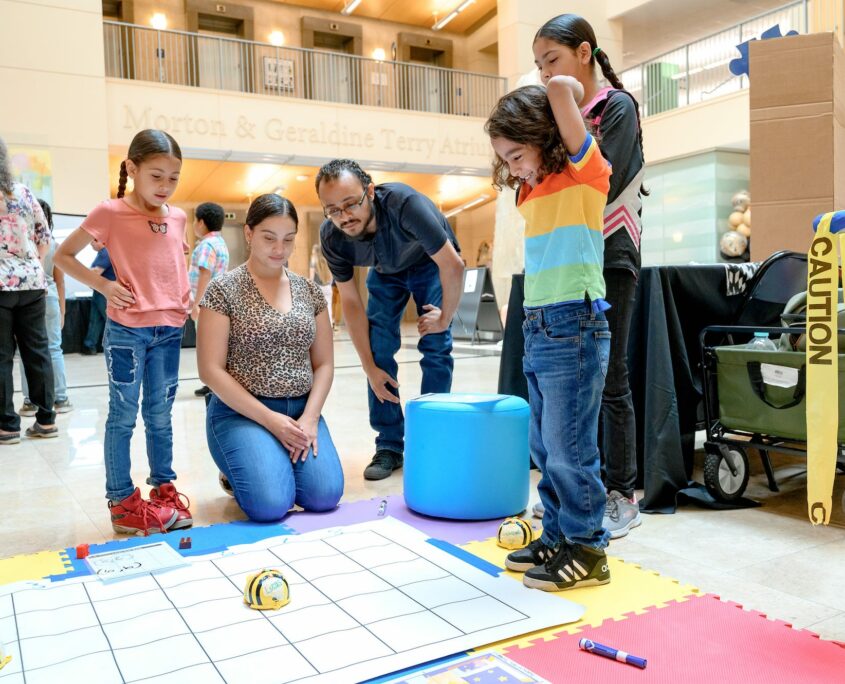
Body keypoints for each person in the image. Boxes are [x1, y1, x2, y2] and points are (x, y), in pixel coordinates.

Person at [485, 79, 612, 591]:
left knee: (570, 446)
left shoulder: (584, 171)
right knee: (544, 444)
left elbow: (562, 90)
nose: (513, 167)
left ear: (544, 134)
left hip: (573, 321)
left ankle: (588, 548)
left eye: (517, 154)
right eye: (505, 159)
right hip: (538, 321)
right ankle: (559, 533)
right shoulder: (532, 186)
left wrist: (551, 77)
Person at [530, 15, 645, 539]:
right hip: (567, 263)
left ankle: (622, 493)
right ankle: (578, 494)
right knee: (573, 388)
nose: (544, 74)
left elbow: (606, 178)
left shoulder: (615, 107)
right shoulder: (563, 114)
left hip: (611, 254)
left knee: (612, 377)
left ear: (583, 53)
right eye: (538, 66)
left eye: (551, 60)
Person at [55, 129, 192, 535]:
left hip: (169, 331)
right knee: (123, 416)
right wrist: (104, 286)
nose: (165, 187)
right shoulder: (110, 212)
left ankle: (163, 491)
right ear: (132, 169)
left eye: (173, 178)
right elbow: (61, 256)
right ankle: (121, 501)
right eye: (156, 176)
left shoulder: (179, 217)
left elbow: (171, 264)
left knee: (161, 416)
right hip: (127, 334)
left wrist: (184, 300)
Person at [316, 159, 464, 480]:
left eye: (351, 204)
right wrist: (368, 366)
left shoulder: (404, 205)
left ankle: (430, 440)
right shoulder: (332, 237)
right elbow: (352, 304)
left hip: (431, 263)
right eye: (333, 210)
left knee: (436, 346)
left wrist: (445, 318)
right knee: (378, 350)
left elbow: (453, 265)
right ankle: (390, 445)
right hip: (386, 271)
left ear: (369, 191)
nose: (344, 217)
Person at [198, 194, 342, 522]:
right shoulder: (223, 290)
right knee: (270, 504)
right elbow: (210, 370)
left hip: (301, 411)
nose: (279, 249)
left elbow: (324, 364)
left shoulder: (309, 291)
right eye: (269, 238)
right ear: (248, 234)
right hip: (243, 413)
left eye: (288, 240)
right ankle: (237, 469)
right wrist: (270, 420)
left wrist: (309, 418)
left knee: (325, 495)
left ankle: (272, 458)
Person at [0, 137, 57, 444]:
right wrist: (33, 263)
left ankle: (7, 426)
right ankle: (46, 420)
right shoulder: (22, 192)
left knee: (1, 358)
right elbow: (43, 235)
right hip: (32, 284)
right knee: (38, 352)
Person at [19, 199, 73, 415]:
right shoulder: (55, 246)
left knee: (26, 351)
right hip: (50, 299)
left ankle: (30, 402)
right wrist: (62, 311)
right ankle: (60, 399)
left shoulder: (19, 245)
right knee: (54, 350)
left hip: (26, 300)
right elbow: (59, 281)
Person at [189, 201, 229, 398]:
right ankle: (213, 383)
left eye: (195, 221)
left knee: (207, 346)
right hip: (219, 302)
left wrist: (196, 304)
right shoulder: (221, 243)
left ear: (202, 222)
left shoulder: (206, 245)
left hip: (207, 305)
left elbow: (205, 274)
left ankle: (213, 384)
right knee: (216, 345)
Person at [81, 239, 115, 355]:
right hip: (100, 291)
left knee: (108, 319)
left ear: (103, 241)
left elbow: (95, 272)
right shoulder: (105, 252)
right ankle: (89, 345)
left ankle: (113, 344)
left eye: (95, 240)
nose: (91, 243)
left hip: (103, 291)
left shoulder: (105, 252)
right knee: (96, 320)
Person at [309, 242, 333, 326]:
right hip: (328, 287)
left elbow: (311, 277)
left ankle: (319, 327)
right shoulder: (326, 260)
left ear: (314, 252)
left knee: (317, 309)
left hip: (318, 288)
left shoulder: (313, 261)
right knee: (329, 307)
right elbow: (331, 275)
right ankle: (329, 326)